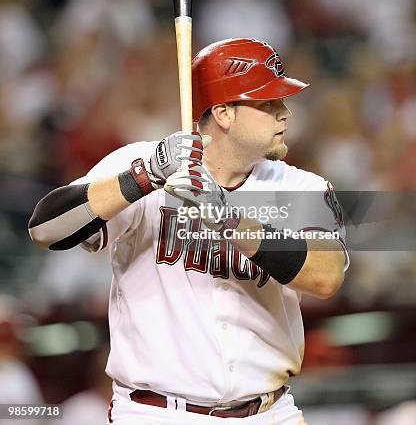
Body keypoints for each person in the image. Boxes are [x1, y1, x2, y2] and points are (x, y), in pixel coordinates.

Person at [29, 38, 349, 424]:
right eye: (268, 103)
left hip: (269, 412)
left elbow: (326, 276)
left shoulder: (301, 187)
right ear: (224, 113)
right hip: (157, 412)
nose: (285, 113)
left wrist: (231, 220)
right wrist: (142, 178)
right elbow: (45, 229)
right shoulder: (142, 163)